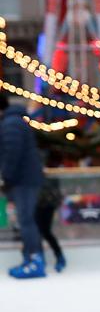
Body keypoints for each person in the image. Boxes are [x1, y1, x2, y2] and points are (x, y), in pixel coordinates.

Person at [0, 95, 48, 279]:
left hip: (24, 180)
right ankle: (32, 258)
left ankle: (34, 260)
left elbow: (12, 153)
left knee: (26, 220)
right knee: (26, 220)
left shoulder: (11, 124)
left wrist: (6, 176)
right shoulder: (13, 122)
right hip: (25, 179)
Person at [35, 176, 66, 273]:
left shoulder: (49, 169)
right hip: (36, 202)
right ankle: (39, 259)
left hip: (48, 202)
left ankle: (59, 256)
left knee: (45, 231)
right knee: (37, 232)